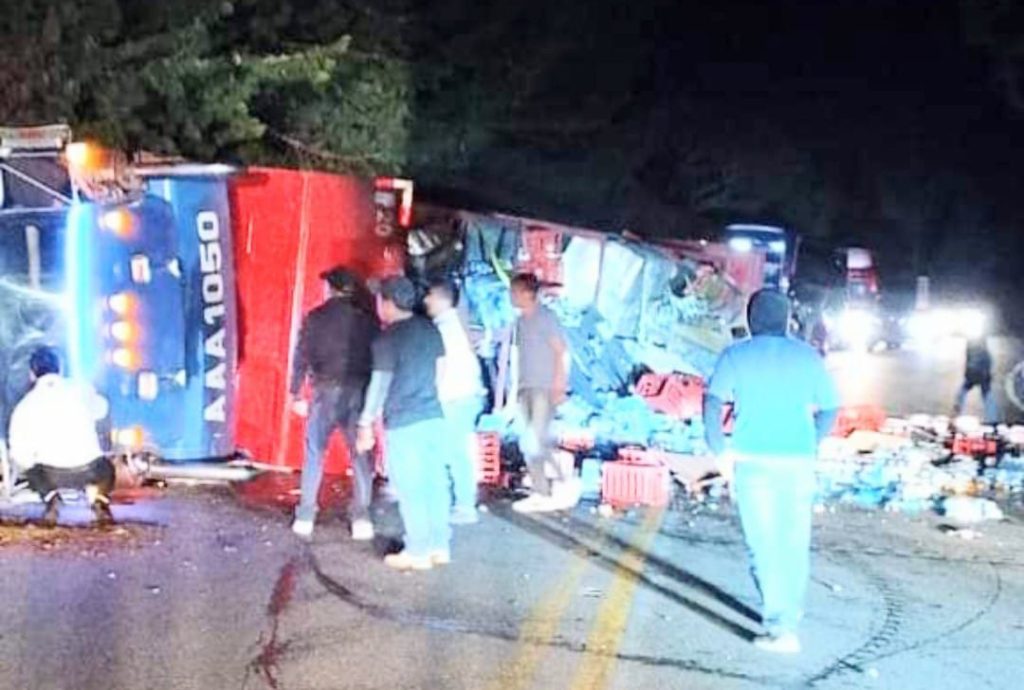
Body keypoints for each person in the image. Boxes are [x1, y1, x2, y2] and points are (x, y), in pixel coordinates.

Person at [703, 289, 839, 655]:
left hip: (753, 463)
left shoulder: (736, 355)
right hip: (797, 462)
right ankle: (788, 618)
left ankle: (780, 626)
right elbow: (830, 408)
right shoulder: (808, 357)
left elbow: (712, 401)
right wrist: (811, 440)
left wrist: (720, 451)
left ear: (750, 320)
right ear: (787, 320)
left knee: (762, 543)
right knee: (793, 542)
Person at [356, 276, 450, 571]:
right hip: (433, 417)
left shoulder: (388, 339)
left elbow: (379, 385)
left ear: (386, 302)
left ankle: (418, 551)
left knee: (411, 487)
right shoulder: (430, 330)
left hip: (404, 421)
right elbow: (441, 371)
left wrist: (365, 423)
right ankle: (439, 546)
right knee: (434, 483)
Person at [289, 266, 379, 540]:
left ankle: (305, 515)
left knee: (315, 451)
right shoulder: (368, 321)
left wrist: (296, 393)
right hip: (358, 391)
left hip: (324, 391)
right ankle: (361, 518)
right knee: (361, 456)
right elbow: (378, 361)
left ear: (332, 288)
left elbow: (301, 357)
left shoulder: (316, 317)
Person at [9, 346, 115, 526]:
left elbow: (19, 454)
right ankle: (99, 500)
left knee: (32, 469)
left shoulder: (25, 405)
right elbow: (102, 409)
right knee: (107, 469)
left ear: (32, 374)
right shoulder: (81, 389)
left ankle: (52, 499)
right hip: (89, 469)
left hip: (50, 474)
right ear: (60, 369)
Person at [508, 273, 573, 514]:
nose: (511, 296)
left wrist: (559, 385)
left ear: (528, 293)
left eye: (515, 292)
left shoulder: (546, 318)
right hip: (526, 387)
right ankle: (543, 490)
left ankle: (557, 485)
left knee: (536, 440)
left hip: (544, 388)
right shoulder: (521, 322)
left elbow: (560, 351)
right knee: (531, 441)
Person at [424, 276, 486, 525]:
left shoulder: (444, 330)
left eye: (429, 295)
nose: (425, 300)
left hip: (454, 397)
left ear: (440, 299)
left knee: (455, 453)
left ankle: (463, 506)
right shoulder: (456, 324)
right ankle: (458, 503)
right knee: (454, 451)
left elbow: (441, 367)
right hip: (465, 395)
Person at [954, 336, 998, 424]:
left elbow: (969, 362)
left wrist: (968, 374)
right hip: (981, 375)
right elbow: (989, 362)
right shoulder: (983, 352)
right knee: (987, 397)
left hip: (974, 374)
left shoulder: (972, 350)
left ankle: (957, 412)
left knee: (962, 393)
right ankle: (992, 419)